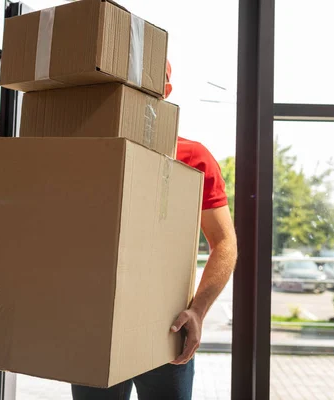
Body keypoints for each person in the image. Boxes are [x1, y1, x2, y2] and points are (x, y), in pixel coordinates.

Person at [72, 61, 238, 400]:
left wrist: (198, 311)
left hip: (167, 327)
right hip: (97, 326)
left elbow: (225, 244)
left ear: (167, 92)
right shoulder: (92, 154)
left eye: (151, 83)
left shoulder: (194, 157)